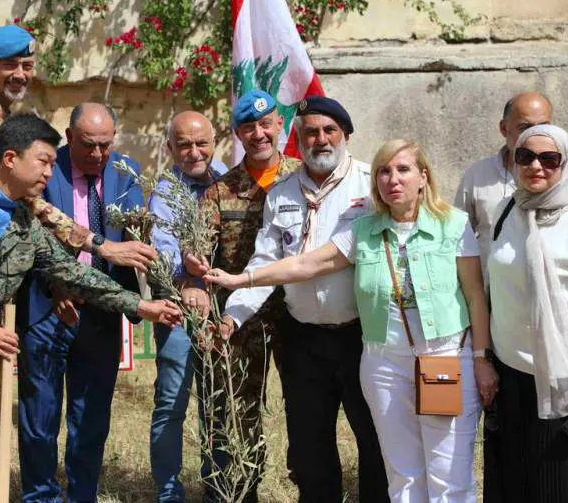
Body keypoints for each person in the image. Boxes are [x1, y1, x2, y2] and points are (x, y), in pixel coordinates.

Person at [0, 113, 182, 502]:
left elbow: (74, 274)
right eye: (43, 161)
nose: (49, 171)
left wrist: (142, 306)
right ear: (10, 158)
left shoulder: (27, 225)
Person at [204, 139, 499, 502]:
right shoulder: (364, 229)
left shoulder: (452, 225)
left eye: (403, 170)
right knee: (403, 475)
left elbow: (474, 296)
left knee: (448, 476)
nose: (393, 179)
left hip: (444, 358)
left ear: (423, 177)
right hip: (384, 365)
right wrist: (242, 279)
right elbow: (306, 263)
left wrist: (482, 359)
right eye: (384, 172)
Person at [0, 25, 156, 489]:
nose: (19, 73)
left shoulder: (121, 170)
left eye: (26, 64)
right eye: (8, 65)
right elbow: (23, 206)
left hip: (87, 311)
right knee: (2, 412)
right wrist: (90, 250)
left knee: (78, 414)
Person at [212, 96, 388, 502]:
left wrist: (241, 279)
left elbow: (314, 264)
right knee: (310, 453)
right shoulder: (282, 193)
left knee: (375, 443)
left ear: (345, 135)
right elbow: (266, 260)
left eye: (329, 131)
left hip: (361, 337)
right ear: (297, 138)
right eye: (310, 131)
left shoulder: (369, 185)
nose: (320, 140)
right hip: (303, 340)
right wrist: (233, 318)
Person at [16, 102, 151, 501]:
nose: (97, 155)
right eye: (88, 145)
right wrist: (59, 284)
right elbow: (32, 232)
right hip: (47, 307)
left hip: (100, 314)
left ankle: (82, 494)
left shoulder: (125, 173)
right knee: (39, 416)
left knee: (90, 418)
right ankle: (40, 494)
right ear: (69, 137)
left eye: (105, 145)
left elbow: (133, 235)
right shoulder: (43, 169)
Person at [185, 89, 301, 502]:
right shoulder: (220, 191)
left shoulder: (303, 180)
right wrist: (193, 261)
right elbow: (197, 245)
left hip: (297, 316)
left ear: (279, 126)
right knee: (240, 413)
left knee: (305, 409)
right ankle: (242, 491)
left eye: (265, 123)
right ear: (238, 134)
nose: (258, 134)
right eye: (249, 127)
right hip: (241, 320)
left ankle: (310, 484)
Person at [486, 124, 568, 503]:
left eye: (549, 159)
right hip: (510, 377)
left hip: (564, 382)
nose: (536, 166)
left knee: (561, 485)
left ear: (565, 165)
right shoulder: (506, 211)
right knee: (516, 483)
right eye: (525, 156)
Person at [147, 111, 227, 503]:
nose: (194, 152)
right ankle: (168, 491)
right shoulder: (165, 191)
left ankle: (219, 486)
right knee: (172, 400)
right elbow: (161, 249)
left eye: (201, 143)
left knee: (220, 402)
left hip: (225, 309)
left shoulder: (230, 182)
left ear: (215, 142)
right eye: (184, 145)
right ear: (170, 148)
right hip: (178, 310)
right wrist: (186, 285)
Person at [454, 91, 568, 283]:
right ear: (504, 128)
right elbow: (458, 241)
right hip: (500, 301)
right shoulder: (478, 175)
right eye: (525, 127)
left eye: (544, 126)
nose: (535, 134)